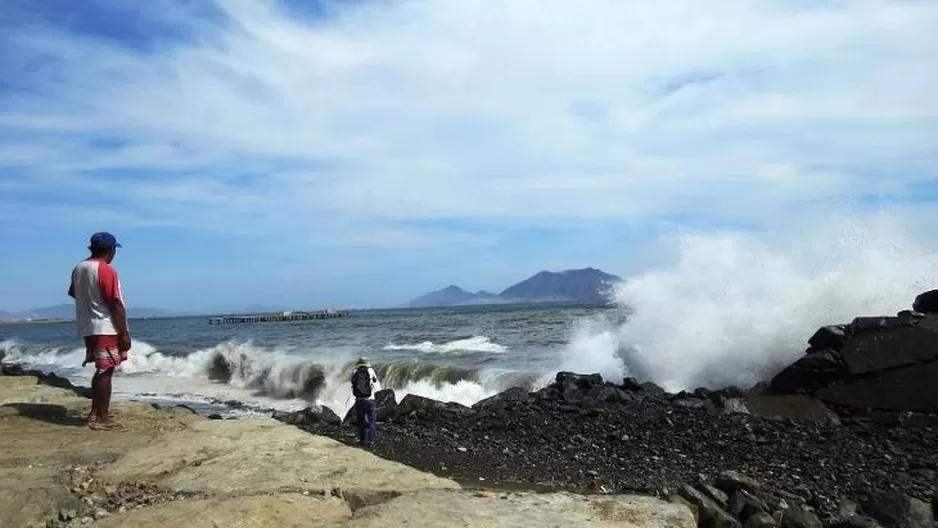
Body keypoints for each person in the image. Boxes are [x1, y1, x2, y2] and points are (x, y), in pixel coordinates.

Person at [67, 232, 131, 431]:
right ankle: (101, 418)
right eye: (114, 250)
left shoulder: (79, 268)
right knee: (106, 371)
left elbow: (73, 293)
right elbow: (115, 303)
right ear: (110, 250)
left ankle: (96, 412)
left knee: (101, 369)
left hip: (88, 326)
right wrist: (123, 332)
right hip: (106, 326)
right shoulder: (105, 270)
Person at [350, 357, 380, 446]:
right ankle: (372, 441)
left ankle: (362, 440)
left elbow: (352, 382)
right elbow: (375, 380)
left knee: (361, 420)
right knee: (372, 420)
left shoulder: (354, 372)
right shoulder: (371, 371)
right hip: (370, 399)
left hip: (359, 400)